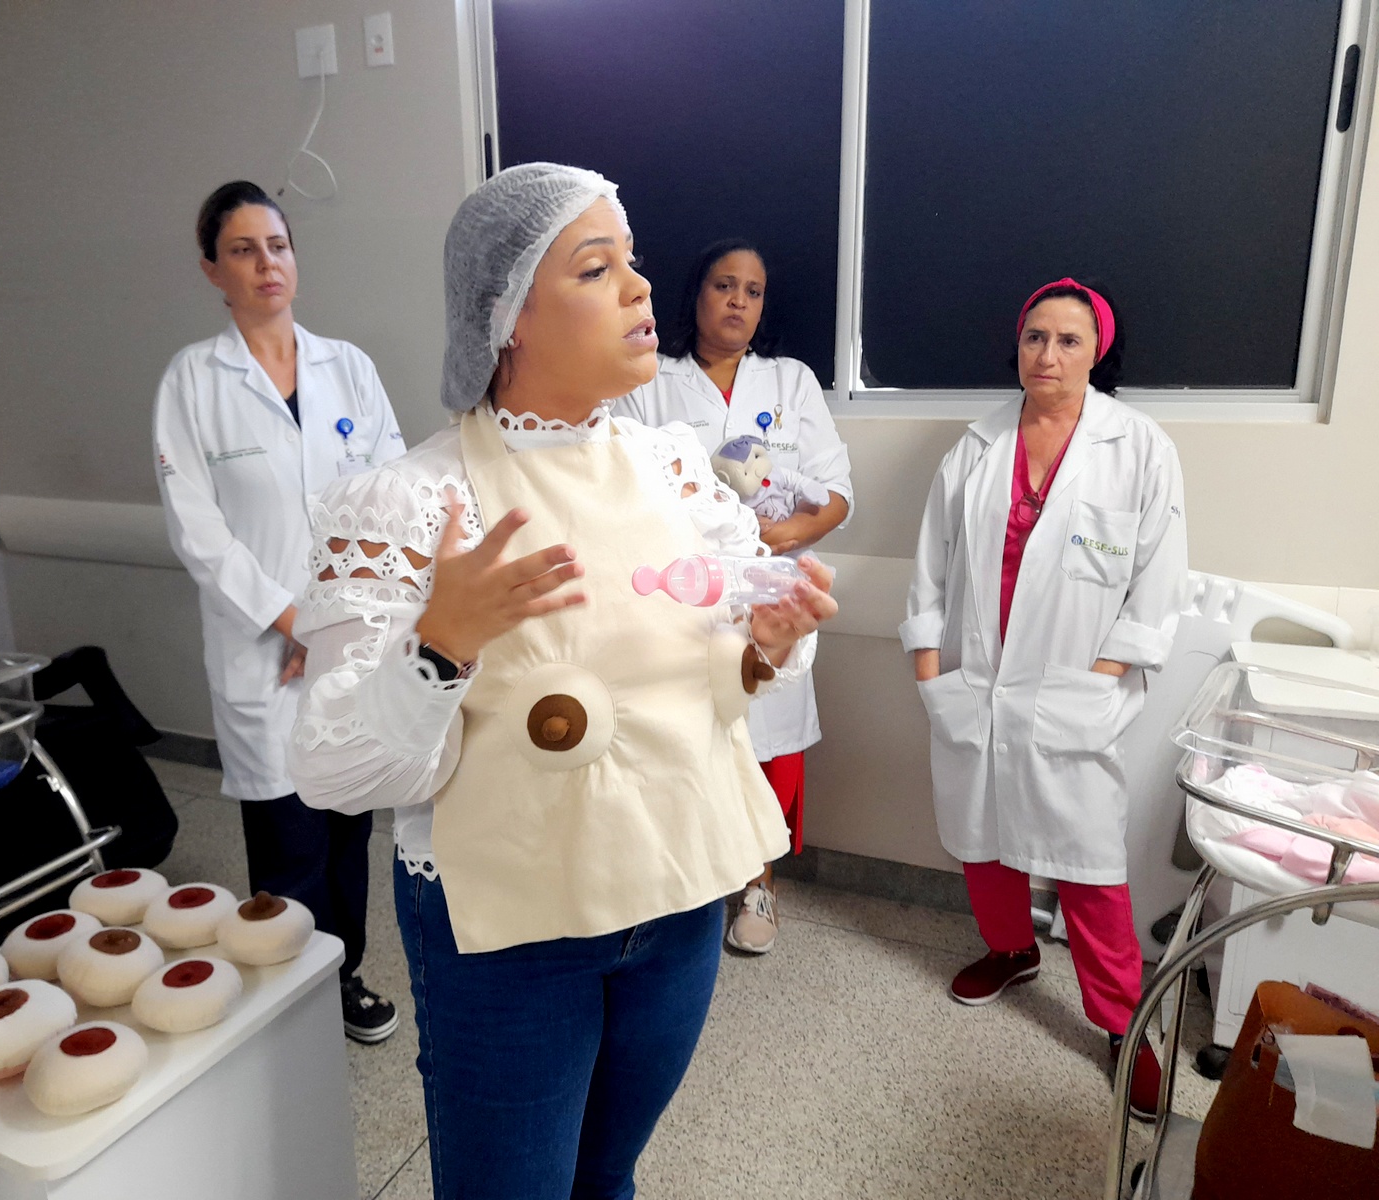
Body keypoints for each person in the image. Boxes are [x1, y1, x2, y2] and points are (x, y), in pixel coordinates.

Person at [286, 163, 837, 1199]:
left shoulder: (676, 473)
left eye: (631, 261)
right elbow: (330, 769)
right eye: (597, 268)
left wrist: (764, 644)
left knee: (608, 1177)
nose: (639, 288)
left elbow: (704, 675)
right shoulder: (411, 500)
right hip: (507, 939)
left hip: (677, 904)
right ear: (509, 318)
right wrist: (440, 644)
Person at [900, 278, 1188, 1120]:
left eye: (1067, 339)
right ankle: (1012, 950)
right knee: (983, 842)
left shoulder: (1137, 447)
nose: (1047, 355)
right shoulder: (977, 445)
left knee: (1090, 861)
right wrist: (927, 666)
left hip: (1074, 687)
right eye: (1034, 337)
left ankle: (1120, 1023)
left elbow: (1158, 580)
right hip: (977, 684)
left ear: (1097, 350)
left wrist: (1105, 680)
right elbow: (932, 558)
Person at [153, 180, 405, 1043]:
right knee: (289, 838)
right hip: (265, 647)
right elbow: (197, 528)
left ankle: (347, 977)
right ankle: (295, 997)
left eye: (280, 245)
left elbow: (392, 497)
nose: (268, 264)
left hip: (350, 638)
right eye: (244, 249)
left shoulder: (350, 368)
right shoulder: (194, 381)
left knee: (347, 829)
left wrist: (336, 616)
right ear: (212, 270)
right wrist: (293, 621)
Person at [616, 239, 853, 954]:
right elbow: (618, 478)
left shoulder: (790, 382)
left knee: (769, 743)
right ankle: (676, 882)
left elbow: (838, 494)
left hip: (769, 584)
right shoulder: (650, 379)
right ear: (696, 294)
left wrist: (777, 536)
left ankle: (759, 886)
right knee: (679, 732)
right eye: (724, 285)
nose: (739, 301)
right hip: (676, 589)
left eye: (752, 290)